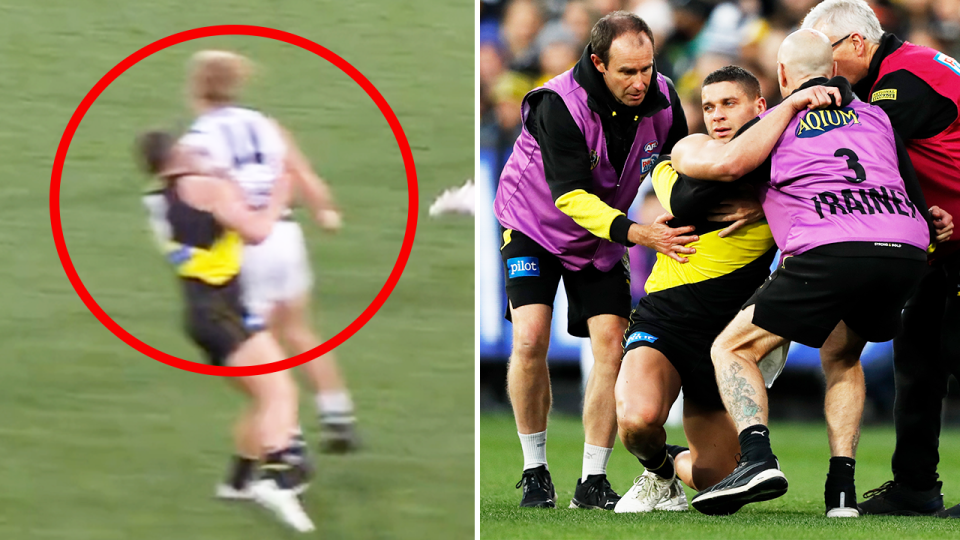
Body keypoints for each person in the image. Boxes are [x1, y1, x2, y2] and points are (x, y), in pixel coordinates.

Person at [669, 29, 937, 518]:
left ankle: (755, 458)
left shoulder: (771, 122)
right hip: (904, 250)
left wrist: (755, 194)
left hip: (831, 248)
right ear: (833, 74)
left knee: (730, 348)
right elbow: (915, 194)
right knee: (842, 354)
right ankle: (842, 492)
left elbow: (692, 198)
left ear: (782, 77)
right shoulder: (877, 116)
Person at [493, 11, 696, 509]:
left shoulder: (665, 99)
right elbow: (569, 195)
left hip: (602, 236)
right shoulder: (556, 104)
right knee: (530, 337)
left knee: (611, 343)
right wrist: (638, 231)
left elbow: (677, 166)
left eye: (647, 68)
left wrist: (682, 204)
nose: (640, 82)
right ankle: (535, 469)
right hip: (534, 225)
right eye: (627, 72)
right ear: (598, 62)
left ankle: (592, 480)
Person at [802, 0, 960, 517]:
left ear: (856, 43)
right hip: (945, 245)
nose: (819, 71)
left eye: (822, 57)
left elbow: (860, 144)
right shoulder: (906, 67)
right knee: (918, 362)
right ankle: (915, 487)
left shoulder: (902, 79)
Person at [179, 50, 361, 461]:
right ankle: (336, 411)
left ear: (194, 90)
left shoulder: (195, 143)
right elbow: (301, 173)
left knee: (263, 349)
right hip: (286, 237)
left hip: (246, 246)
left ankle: (287, 439)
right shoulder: (264, 124)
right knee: (298, 328)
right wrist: (324, 210)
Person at [614, 66, 778, 514]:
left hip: (726, 342)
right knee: (637, 421)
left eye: (729, 104)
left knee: (718, 483)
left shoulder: (786, 171)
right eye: (709, 107)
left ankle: (672, 467)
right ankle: (658, 473)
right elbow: (691, 199)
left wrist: (768, 197)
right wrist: (767, 196)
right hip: (665, 320)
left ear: (760, 108)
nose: (717, 116)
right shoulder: (678, 162)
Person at [136, 131, 315, 533]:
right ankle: (276, 477)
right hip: (223, 312)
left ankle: (237, 483)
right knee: (281, 392)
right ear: (178, 154)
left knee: (262, 397)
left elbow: (210, 223)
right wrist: (279, 197)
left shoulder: (159, 200)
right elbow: (257, 231)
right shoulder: (205, 187)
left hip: (206, 312)